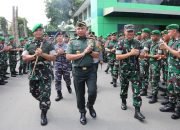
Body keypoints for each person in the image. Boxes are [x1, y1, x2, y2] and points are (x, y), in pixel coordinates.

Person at [22, 23, 56, 126]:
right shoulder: (28, 44)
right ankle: (44, 101)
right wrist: (34, 55)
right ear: (33, 32)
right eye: (36, 30)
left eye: (40, 30)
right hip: (34, 73)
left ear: (42, 31)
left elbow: (53, 57)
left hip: (45, 73)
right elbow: (24, 57)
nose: (38, 32)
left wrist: (42, 54)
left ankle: (44, 112)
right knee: (33, 91)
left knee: (45, 93)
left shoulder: (49, 44)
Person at [66, 21, 99, 125]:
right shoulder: (72, 42)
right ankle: (82, 112)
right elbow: (68, 57)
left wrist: (90, 52)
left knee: (93, 92)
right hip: (78, 71)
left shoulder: (92, 41)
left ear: (86, 30)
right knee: (80, 95)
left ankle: (90, 105)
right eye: (78, 29)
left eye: (82, 28)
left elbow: (97, 55)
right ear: (76, 30)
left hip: (91, 71)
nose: (80, 30)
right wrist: (83, 53)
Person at [116, 24, 145, 121]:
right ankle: (123, 102)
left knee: (137, 90)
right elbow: (118, 57)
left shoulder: (138, 42)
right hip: (124, 71)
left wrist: (142, 54)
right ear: (124, 32)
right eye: (128, 31)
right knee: (124, 88)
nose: (130, 33)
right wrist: (130, 53)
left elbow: (142, 56)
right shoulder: (120, 43)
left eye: (131, 31)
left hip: (135, 71)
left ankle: (137, 111)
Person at [159, 24, 180, 120]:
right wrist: (164, 49)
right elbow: (169, 54)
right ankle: (171, 105)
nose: (168, 33)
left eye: (169, 31)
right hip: (171, 69)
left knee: (178, 91)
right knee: (171, 89)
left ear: (175, 31)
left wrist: (166, 47)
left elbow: (178, 54)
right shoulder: (172, 41)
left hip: (177, 71)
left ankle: (178, 110)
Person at [54, 32, 72, 101]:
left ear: (63, 37)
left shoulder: (67, 46)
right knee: (57, 80)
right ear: (56, 38)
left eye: (61, 36)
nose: (59, 37)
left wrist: (63, 52)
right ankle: (59, 94)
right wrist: (58, 54)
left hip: (66, 65)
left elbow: (69, 55)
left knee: (67, 78)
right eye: (58, 36)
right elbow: (52, 57)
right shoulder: (54, 46)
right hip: (57, 65)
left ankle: (68, 86)